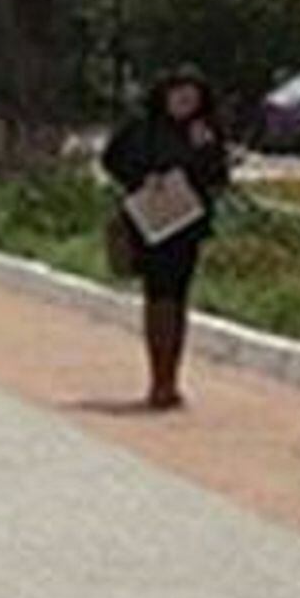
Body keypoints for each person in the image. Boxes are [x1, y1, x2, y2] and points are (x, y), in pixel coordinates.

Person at [100, 66, 232, 410]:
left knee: (179, 295)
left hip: (187, 224)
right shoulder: (141, 128)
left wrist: (207, 149)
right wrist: (144, 179)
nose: (184, 102)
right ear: (164, 95)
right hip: (150, 221)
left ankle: (171, 379)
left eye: (192, 96)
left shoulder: (204, 132)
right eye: (178, 94)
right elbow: (111, 160)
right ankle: (158, 380)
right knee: (158, 295)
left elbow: (218, 177)